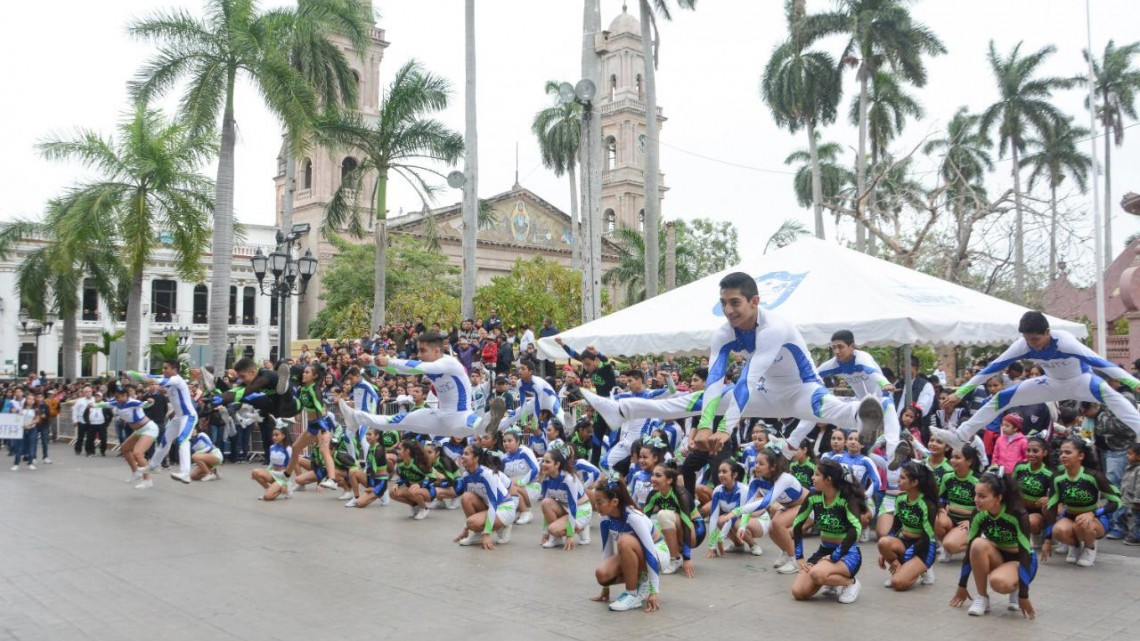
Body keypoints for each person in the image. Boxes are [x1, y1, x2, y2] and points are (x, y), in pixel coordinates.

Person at [576, 272, 885, 459]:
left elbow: (747, 380)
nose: (728, 310)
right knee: (691, 400)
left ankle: (862, 415)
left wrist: (724, 428)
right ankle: (621, 411)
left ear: (754, 301)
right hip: (763, 393)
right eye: (723, 302)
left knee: (826, 406)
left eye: (735, 302)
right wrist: (706, 425)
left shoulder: (775, 328)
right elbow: (714, 380)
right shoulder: (724, 333)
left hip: (800, 390)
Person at [934, 311, 1140, 450]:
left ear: (1048, 333)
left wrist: (1134, 383)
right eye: (1028, 340)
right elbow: (993, 367)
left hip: (1081, 381)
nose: (1033, 345)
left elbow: (1101, 363)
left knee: (1115, 398)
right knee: (1002, 397)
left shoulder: (1065, 341)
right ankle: (961, 437)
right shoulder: (1023, 345)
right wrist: (960, 392)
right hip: (1050, 384)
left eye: (1036, 339)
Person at [338, 333, 509, 442]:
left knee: (477, 424)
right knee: (396, 421)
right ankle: (355, 418)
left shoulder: (448, 363)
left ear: (436, 351)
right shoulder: (429, 363)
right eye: (418, 351)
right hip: (438, 417)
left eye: (423, 350)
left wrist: (387, 361)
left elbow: (417, 367)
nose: (419, 355)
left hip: (461, 417)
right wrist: (375, 362)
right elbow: (401, 370)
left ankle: (489, 421)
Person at [787, 330, 901, 457]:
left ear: (852, 346)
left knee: (889, 406)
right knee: (818, 404)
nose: (836, 351)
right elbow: (813, 374)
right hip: (859, 404)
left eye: (840, 347)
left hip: (880, 400)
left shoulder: (862, 358)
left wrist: (885, 384)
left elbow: (873, 372)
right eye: (834, 347)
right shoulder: (835, 363)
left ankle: (893, 451)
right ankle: (792, 442)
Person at [950, 472, 1038, 619]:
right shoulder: (978, 514)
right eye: (976, 494)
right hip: (998, 555)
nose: (976, 500)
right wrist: (962, 585)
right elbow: (969, 552)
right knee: (977, 544)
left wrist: (1024, 595)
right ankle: (982, 598)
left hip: (1021, 560)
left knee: (999, 583)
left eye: (982, 496)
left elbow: (1024, 554)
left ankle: (1015, 588)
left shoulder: (1017, 514)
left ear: (998, 498)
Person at [790, 459, 868, 604]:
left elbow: (856, 529)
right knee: (798, 592)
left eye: (817, 475)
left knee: (817, 573)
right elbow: (798, 523)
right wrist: (799, 556)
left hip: (847, 553)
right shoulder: (814, 496)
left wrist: (836, 555)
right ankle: (831, 581)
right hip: (824, 550)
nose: (812, 478)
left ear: (828, 479)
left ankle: (850, 583)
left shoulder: (845, 498)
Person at [1041, 438, 1121, 568]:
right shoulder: (1057, 477)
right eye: (1061, 453)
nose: (1063, 456)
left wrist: (1093, 513)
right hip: (1070, 516)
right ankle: (1075, 545)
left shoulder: (1093, 476)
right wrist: (1047, 539)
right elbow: (1052, 507)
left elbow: (1117, 500)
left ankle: (1090, 547)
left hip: (1095, 519)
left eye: (1068, 452)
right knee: (1059, 530)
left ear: (1081, 456)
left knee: (1082, 523)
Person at [590, 477, 662, 613]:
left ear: (615, 502)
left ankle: (632, 594)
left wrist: (654, 591)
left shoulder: (634, 517)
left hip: (658, 553)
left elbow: (650, 552)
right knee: (602, 575)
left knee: (624, 541)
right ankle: (640, 579)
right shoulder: (604, 518)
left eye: (599, 502)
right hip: (636, 554)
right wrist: (606, 587)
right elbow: (607, 550)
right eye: (595, 502)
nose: (596, 507)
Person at [735, 449, 806, 574]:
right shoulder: (756, 478)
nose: (756, 466)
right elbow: (749, 503)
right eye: (756, 462)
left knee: (778, 524)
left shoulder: (784, 478)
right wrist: (742, 526)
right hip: (788, 506)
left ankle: (795, 561)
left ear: (773, 467)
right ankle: (786, 553)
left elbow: (765, 502)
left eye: (761, 463)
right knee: (772, 528)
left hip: (807, 505)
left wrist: (735, 512)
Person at [129, 361, 198, 484]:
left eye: (166, 368)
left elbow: (158, 381)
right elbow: (151, 377)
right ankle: (154, 465)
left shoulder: (177, 380)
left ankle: (185, 473)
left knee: (183, 440)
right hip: (179, 417)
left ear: (174, 369)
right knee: (164, 441)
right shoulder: (168, 379)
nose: (163, 370)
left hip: (189, 416)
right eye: (163, 368)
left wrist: (149, 379)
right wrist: (134, 374)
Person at [877, 461, 938, 591]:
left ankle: (922, 569)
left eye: (903, 478)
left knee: (899, 584)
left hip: (924, 547)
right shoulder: (901, 498)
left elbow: (927, 538)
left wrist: (907, 556)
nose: (898, 480)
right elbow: (895, 527)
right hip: (905, 541)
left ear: (915, 483)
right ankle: (900, 570)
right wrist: (886, 554)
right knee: (883, 542)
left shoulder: (927, 505)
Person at [452, 444, 518, 548]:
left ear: (476, 458)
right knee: (466, 497)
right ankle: (477, 534)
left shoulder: (487, 474)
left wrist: (487, 534)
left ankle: (502, 527)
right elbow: (472, 500)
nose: (462, 456)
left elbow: (493, 503)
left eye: (466, 454)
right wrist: (466, 529)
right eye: (462, 453)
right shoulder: (466, 476)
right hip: (490, 507)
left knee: (472, 522)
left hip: (505, 507)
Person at [100, 382, 159, 489]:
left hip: (149, 429)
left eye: (119, 397)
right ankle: (136, 473)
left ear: (125, 395)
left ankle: (148, 480)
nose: (117, 399)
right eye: (116, 397)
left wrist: (150, 401)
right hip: (139, 431)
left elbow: (144, 404)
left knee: (138, 453)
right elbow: (105, 404)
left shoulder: (132, 402)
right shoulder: (117, 403)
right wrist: (93, 405)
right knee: (125, 449)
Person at [538, 445, 592, 549]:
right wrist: (545, 534)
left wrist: (569, 534)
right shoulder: (546, 479)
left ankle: (581, 527)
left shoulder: (569, 479)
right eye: (543, 461)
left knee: (553, 529)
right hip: (567, 509)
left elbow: (573, 506)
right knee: (545, 502)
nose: (543, 464)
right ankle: (555, 539)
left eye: (548, 462)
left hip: (581, 509)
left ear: (557, 464)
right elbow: (546, 508)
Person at [936, 444, 983, 562]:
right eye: (952, 457)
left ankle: (977, 545)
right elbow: (941, 498)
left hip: (968, 521)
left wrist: (971, 520)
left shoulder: (978, 481)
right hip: (951, 518)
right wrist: (941, 509)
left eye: (957, 457)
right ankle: (946, 547)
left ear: (969, 461)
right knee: (937, 520)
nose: (952, 460)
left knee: (951, 544)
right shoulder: (947, 477)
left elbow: (984, 508)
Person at [250, 423, 292, 501]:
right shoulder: (272, 447)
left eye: (277, 435)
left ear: (283, 436)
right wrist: (263, 473)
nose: (274, 437)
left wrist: (285, 483)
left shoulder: (288, 449)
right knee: (255, 472)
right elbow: (271, 464)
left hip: (282, 477)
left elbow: (290, 468)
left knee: (267, 497)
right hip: (272, 473)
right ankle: (269, 489)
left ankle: (284, 488)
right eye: (273, 435)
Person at [72, 385, 94, 456]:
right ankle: (78, 449)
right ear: (84, 393)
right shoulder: (80, 401)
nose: (88, 393)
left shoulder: (94, 400)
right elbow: (75, 410)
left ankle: (89, 450)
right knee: (80, 437)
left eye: (89, 391)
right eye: (86, 392)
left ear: (92, 392)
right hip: (81, 421)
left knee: (90, 437)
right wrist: (75, 420)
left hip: (91, 421)